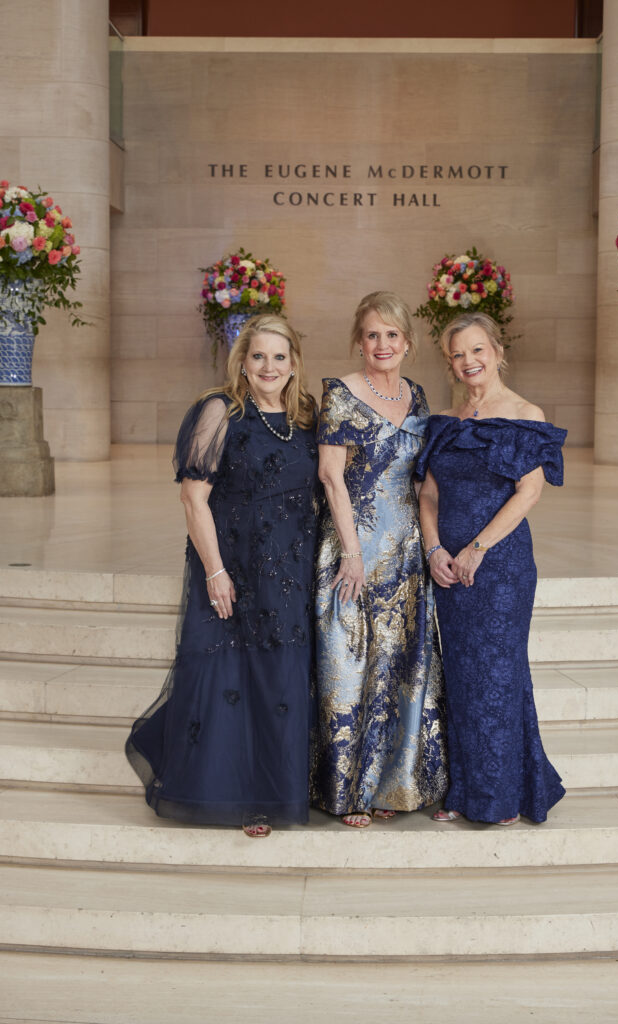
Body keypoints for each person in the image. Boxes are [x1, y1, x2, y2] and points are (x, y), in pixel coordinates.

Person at [126, 314, 319, 838]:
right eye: (259, 356)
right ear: (242, 361)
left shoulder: (306, 416)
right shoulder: (219, 410)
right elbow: (193, 497)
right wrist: (215, 570)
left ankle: (276, 789)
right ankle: (238, 797)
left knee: (279, 680)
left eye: (280, 357)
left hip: (290, 575)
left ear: (294, 362)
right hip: (232, 564)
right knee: (232, 680)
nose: (269, 366)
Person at [417, 311, 566, 826]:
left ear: (498, 352)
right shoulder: (445, 421)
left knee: (498, 675)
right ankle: (463, 792)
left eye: (477, 350)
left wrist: (477, 548)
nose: (468, 361)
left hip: (499, 566)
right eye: (458, 354)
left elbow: (530, 491)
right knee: (460, 675)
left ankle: (501, 797)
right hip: (447, 566)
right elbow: (428, 492)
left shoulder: (526, 414)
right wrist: (435, 549)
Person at [311, 291, 448, 828]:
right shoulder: (340, 393)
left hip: (406, 551)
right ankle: (347, 791)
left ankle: (392, 784)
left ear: (408, 344)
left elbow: (422, 479)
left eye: (392, 335)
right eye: (372, 335)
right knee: (351, 664)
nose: (382, 344)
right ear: (359, 341)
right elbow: (330, 476)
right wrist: (351, 553)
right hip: (353, 548)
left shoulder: (417, 396)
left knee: (400, 665)